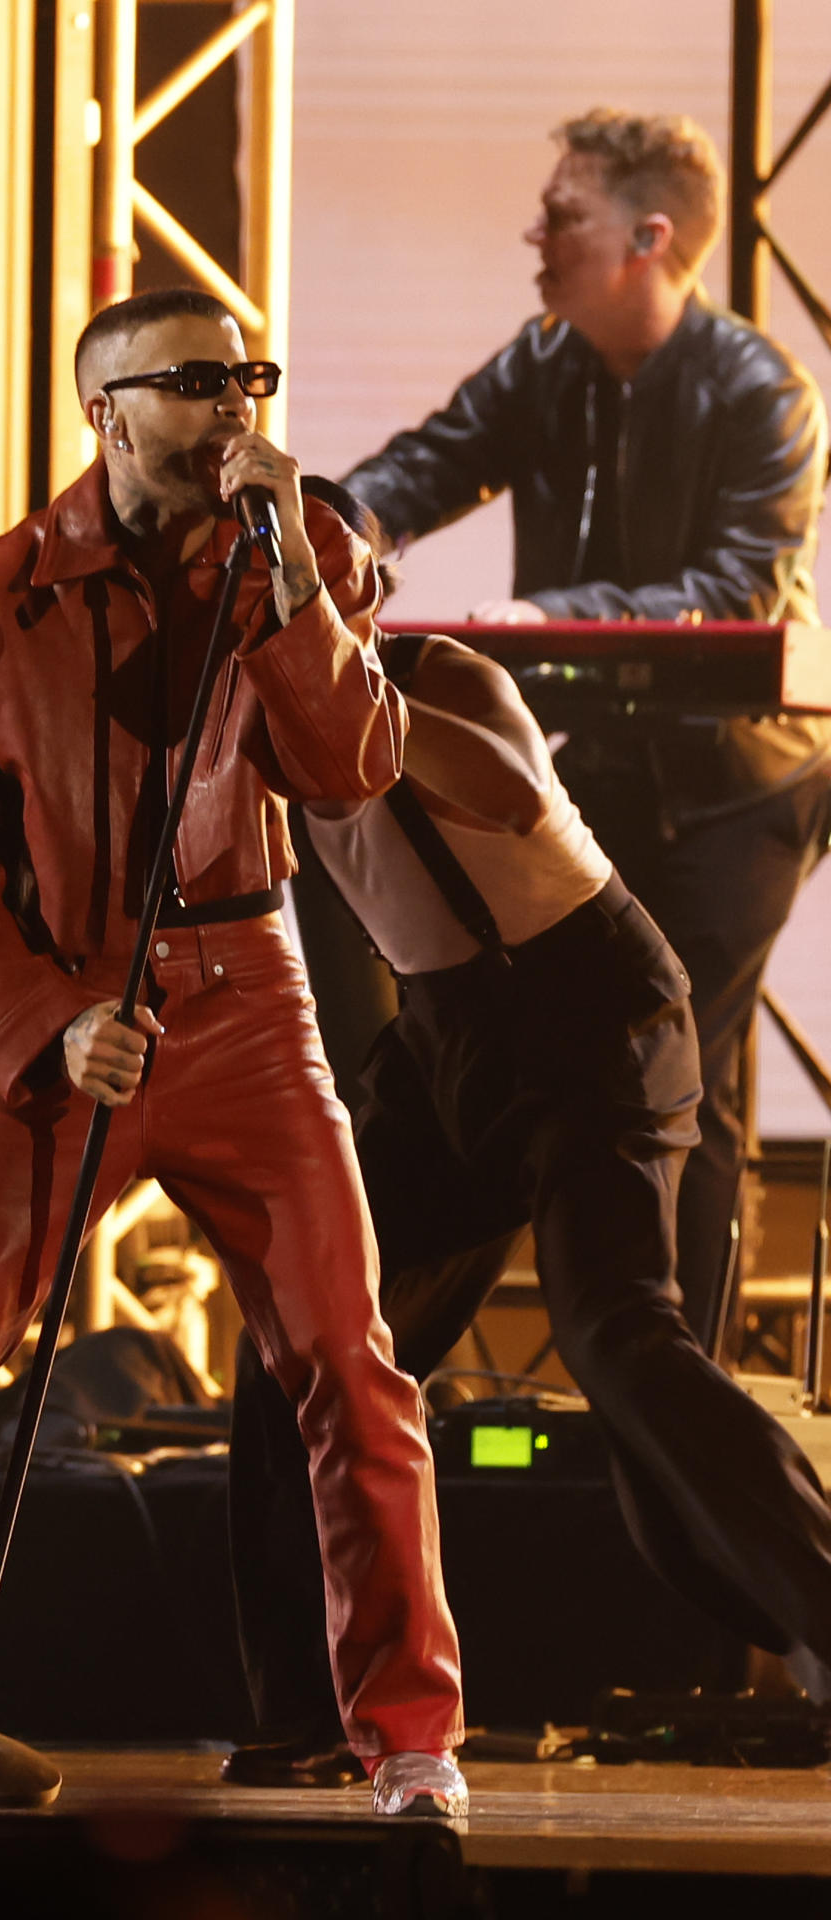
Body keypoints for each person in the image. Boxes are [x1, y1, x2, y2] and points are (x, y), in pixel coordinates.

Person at [0, 287, 467, 1818]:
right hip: (63, 1010)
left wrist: (298, 593)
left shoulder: (293, 559)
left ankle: (413, 1742)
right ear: (105, 409)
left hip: (249, 1004)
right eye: (193, 382)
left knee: (352, 1363)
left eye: (248, 376)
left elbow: (350, 767)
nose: (230, 408)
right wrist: (49, 1027)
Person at [226, 604, 831, 1786]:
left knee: (617, 1337)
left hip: (588, 1015)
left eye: (329, 587)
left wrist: (339, 692)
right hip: (445, 1040)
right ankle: (309, 1711)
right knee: (295, 1345)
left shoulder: (443, 679)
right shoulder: (253, 735)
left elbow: (504, 795)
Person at [342, 107, 831, 1348]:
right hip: (603, 770)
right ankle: (656, 1385)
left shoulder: (764, 392)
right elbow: (429, 463)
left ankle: (654, 1374)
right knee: (645, 1078)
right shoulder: (542, 360)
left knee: (652, 1062)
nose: (534, 233)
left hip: (744, 787)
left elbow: (736, 591)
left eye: (563, 212)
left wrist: (550, 614)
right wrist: (333, 531)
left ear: (646, 236)